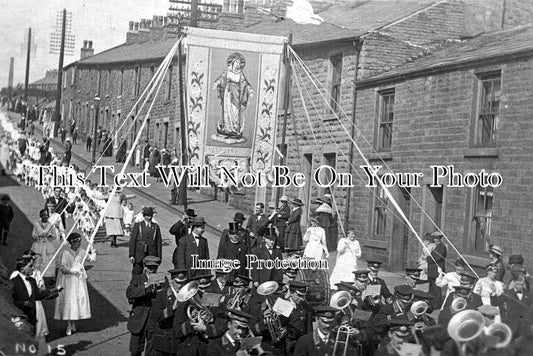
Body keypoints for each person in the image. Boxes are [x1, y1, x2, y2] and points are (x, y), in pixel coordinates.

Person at [11, 256, 61, 334]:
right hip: (21, 315)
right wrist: (23, 303)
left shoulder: (32, 281)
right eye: (30, 266)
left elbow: (38, 295)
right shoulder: (14, 282)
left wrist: (56, 290)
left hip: (33, 315)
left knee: (35, 335)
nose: (33, 267)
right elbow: (10, 300)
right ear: (22, 269)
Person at [54, 233, 91, 335]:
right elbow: (62, 267)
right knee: (69, 302)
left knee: (76, 301)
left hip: (78, 281)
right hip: (68, 281)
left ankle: (73, 323)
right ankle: (68, 325)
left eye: (80, 241)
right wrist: (72, 270)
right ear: (72, 242)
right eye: (77, 241)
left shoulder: (82, 252)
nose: (79, 243)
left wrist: (92, 250)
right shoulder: (65, 253)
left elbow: (90, 258)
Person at [211, 52, 253, 142]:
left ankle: (234, 129)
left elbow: (245, 83)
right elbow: (221, 78)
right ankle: (227, 128)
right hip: (228, 93)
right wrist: (216, 83)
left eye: (239, 63)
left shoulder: (240, 74)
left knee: (235, 111)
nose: (238, 65)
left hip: (236, 94)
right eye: (237, 63)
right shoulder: (228, 71)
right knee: (227, 109)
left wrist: (250, 90)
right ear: (233, 62)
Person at [126, 256, 161, 356]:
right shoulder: (137, 279)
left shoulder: (161, 280)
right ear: (145, 267)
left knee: (152, 349)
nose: (152, 270)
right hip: (139, 318)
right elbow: (129, 293)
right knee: (136, 349)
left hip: (153, 318)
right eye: (150, 268)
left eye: (155, 268)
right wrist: (145, 287)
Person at [129, 207, 163, 275]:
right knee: (137, 273)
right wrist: (131, 255)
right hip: (139, 254)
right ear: (144, 216)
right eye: (147, 215)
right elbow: (133, 241)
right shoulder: (138, 225)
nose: (149, 217)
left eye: (150, 215)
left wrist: (159, 256)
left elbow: (158, 243)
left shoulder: (156, 227)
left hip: (151, 255)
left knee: (151, 274)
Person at [31, 209, 64, 278]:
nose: (45, 217)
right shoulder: (37, 224)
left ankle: (47, 276)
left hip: (48, 245)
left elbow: (55, 235)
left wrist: (50, 236)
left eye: (46, 215)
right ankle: (36, 275)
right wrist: (39, 236)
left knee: (48, 260)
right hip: (39, 245)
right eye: (43, 215)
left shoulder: (51, 225)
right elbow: (33, 234)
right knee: (38, 260)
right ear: (41, 216)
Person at [427, 231, 446, 309]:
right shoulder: (434, 246)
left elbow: (436, 258)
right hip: (432, 271)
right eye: (434, 238)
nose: (435, 240)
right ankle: (431, 302)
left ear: (440, 238)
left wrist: (427, 258)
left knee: (436, 288)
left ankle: (436, 304)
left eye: (437, 238)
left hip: (437, 271)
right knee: (431, 287)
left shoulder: (442, 247)